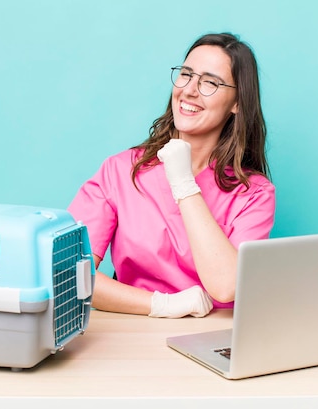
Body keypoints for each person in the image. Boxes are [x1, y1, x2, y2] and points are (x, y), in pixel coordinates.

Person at [68, 32, 275, 318]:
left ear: (237, 103)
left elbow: (226, 287)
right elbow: (68, 275)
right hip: (134, 330)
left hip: (214, 338)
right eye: (186, 74)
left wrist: (184, 184)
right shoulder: (120, 171)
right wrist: (163, 305)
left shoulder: (254, 194)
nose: (190, 90)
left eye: (210, 83)